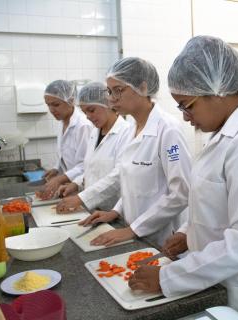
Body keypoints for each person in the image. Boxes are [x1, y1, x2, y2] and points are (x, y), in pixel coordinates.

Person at [128, 36, 238, 320]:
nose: (184, 117)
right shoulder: (226, 132)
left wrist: (168, 278)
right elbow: (217, 201)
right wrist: (188, 231)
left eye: (187, 105)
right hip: (221, 281)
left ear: (217, 91)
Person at [56, 57, 191, 247]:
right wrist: (117, 211)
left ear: (143, 88)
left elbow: (181, 193)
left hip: (162, 237)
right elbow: (126, 178)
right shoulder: (131, 129)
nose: (111, 98)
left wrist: (133, 229)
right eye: (109, 91)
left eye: (118, 90)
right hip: (134, 232)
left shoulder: (169, 131)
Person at [57, 81, 130, 211]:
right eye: (85, 112)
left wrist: (81, 198)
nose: (88, 117)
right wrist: (76, 184)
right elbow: (91, 170)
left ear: (108, 104)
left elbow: (118, 176)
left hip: (115, 211)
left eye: (91, 110)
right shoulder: (94, 133)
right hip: (95, 210)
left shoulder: (126, 133)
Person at [41, 80, 92, 199]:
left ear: (71, 101)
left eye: (56, 104)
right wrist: (55, 168)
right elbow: (64, 153)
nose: (51, 110)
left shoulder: (83, 125)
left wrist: (60, 179)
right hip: (69, 187)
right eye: (48, 105)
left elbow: (85, 165)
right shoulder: (63, 121)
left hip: (82, 187)